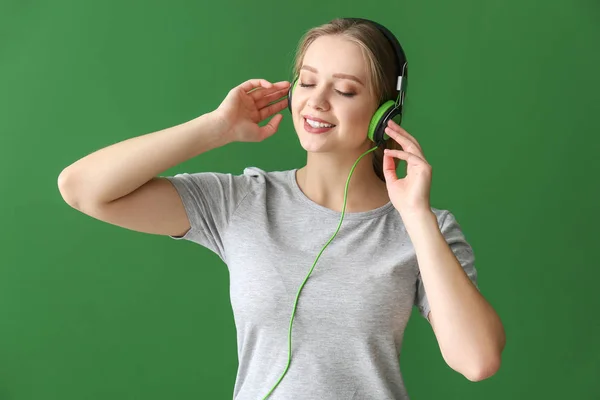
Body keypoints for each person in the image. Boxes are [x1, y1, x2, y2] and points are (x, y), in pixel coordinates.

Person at [58, 17, 504, 400]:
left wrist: (417, 218)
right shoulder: (243, 201)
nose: (316, 100)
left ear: (385, 113)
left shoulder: (426, 227)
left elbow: (477, 360)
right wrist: (216, 128)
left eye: (345, 90)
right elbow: (82, 189)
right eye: (307, 82)